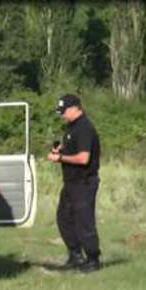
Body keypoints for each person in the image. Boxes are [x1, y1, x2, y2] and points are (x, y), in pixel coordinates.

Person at [47, 94, 102, 272]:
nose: (62, 115)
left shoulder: (84, 127)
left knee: (84, 221)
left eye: (64, 111)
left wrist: (59, 158)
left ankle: (93, 259)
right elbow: (74, 150)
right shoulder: (71, 128)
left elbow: (84, 158)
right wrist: (61, 150)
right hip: (70, 183)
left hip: (84, 182)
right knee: (64, 219)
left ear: (75, 108)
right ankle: (75, 255)